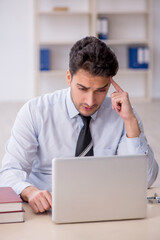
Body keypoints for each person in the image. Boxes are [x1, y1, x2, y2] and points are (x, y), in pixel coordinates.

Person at [0, 36, 158, 214]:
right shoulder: (35, 111)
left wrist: (130, 122)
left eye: (101, 90)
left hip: (104, 208)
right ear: (69, 77)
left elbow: (144, 180)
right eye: (82, 89)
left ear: (110, 83)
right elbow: (9, 172)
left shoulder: (123, 114)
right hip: (47, 211)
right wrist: (29, 192)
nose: (90, 101)